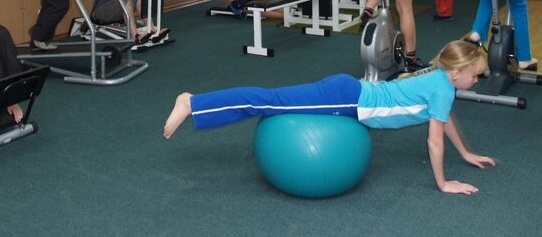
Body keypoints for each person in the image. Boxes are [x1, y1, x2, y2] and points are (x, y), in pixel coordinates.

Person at [163, 40, 494, 195]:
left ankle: (195, 103)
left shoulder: (440, 82)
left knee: (271, 100)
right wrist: (443, 183)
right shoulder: (443, 88)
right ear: (457, 72)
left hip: (348, 94)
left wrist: (465, 152)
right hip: (345, 99)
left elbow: (444, 119)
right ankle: (192, 103)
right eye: (475, 75)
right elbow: (434, 141)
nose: (476, 80)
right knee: (268, 102)